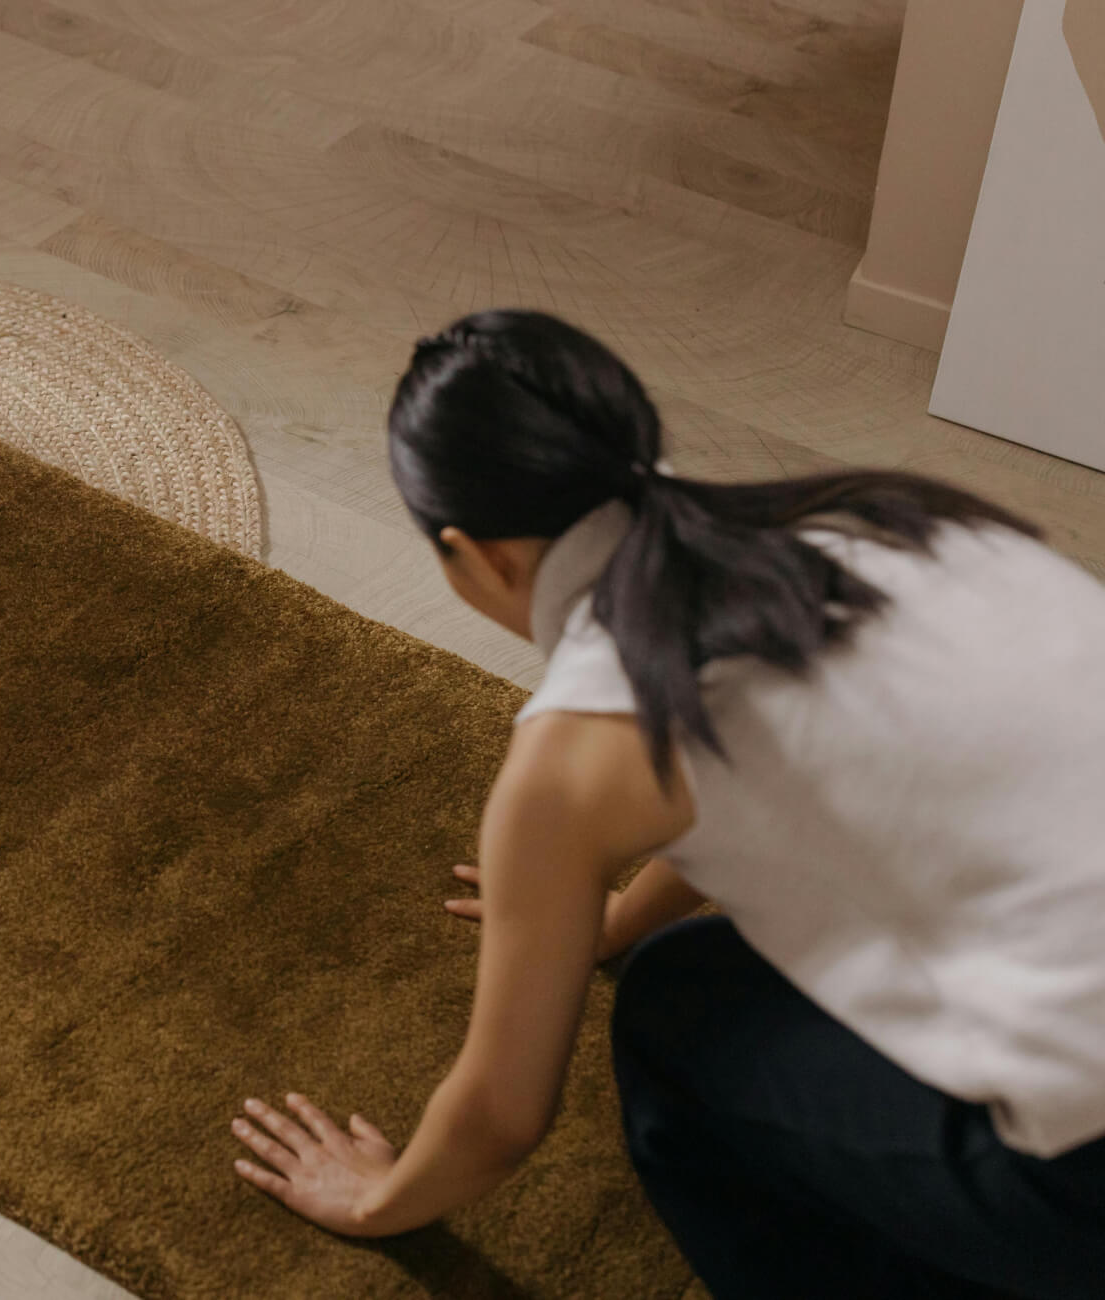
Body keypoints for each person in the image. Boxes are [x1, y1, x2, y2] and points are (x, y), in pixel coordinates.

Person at [228, 311, 1105, 1298]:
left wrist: (372, 1198)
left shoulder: (571, 756)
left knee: (671, 1014)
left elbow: (502, 1114)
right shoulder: (859, 517)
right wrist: (605, 918)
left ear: (475, 554)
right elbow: (756, 775)